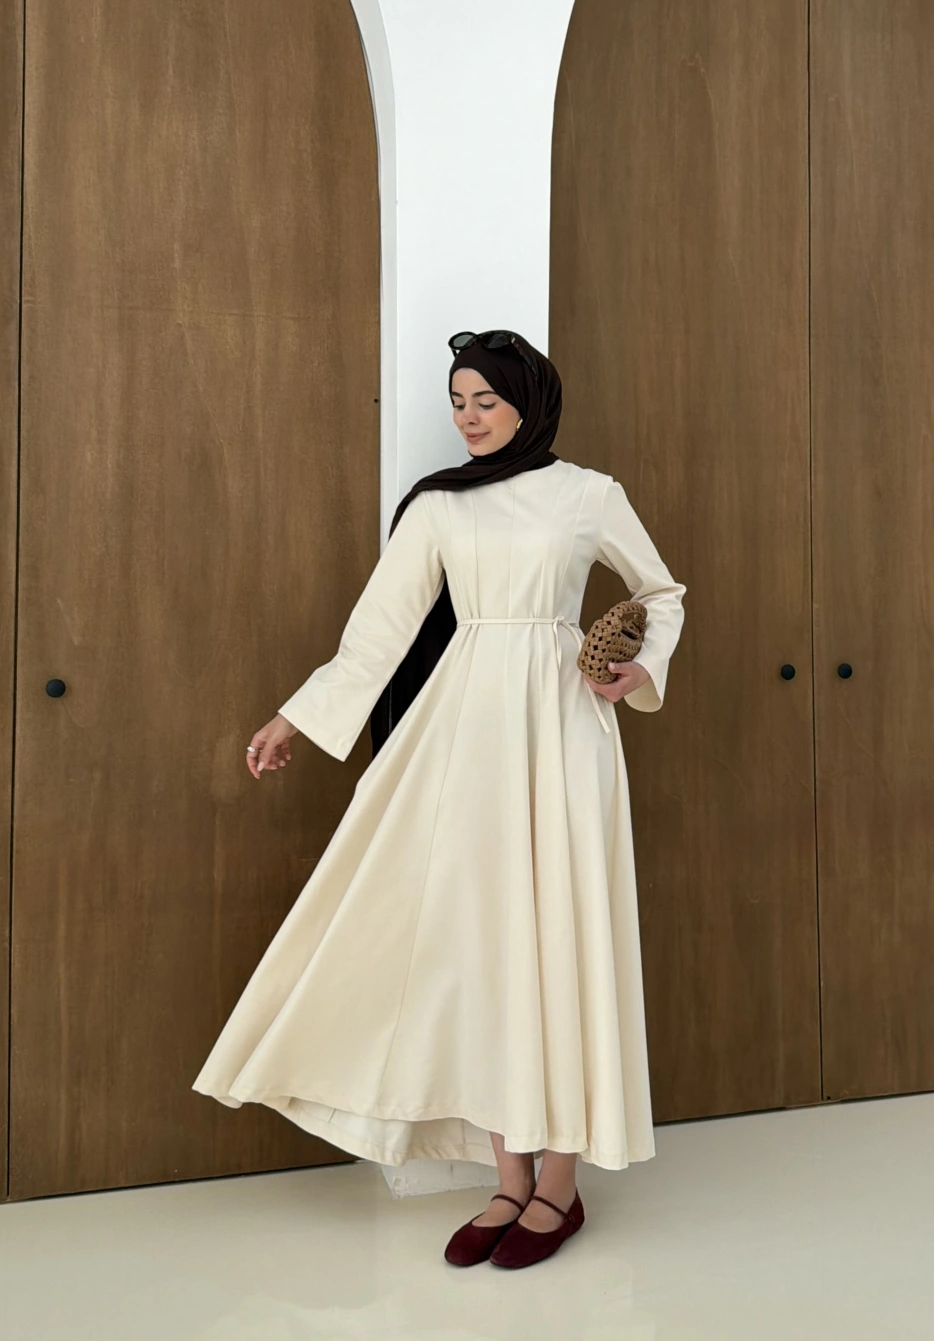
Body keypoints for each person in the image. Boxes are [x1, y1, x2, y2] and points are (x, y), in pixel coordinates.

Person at [192, 330, 686, 1270]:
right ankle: (507, 1178)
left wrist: (637, 668)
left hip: (564, 726)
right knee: (482, 941)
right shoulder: (438, 504)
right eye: (458, 401)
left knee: (560, 934)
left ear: (527, 401)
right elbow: (378, 630)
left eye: (485, 400)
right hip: (464, 729)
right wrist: (296, 716)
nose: (468, 417)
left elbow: (662, 592)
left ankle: (560, 1186)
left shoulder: (589, 493)